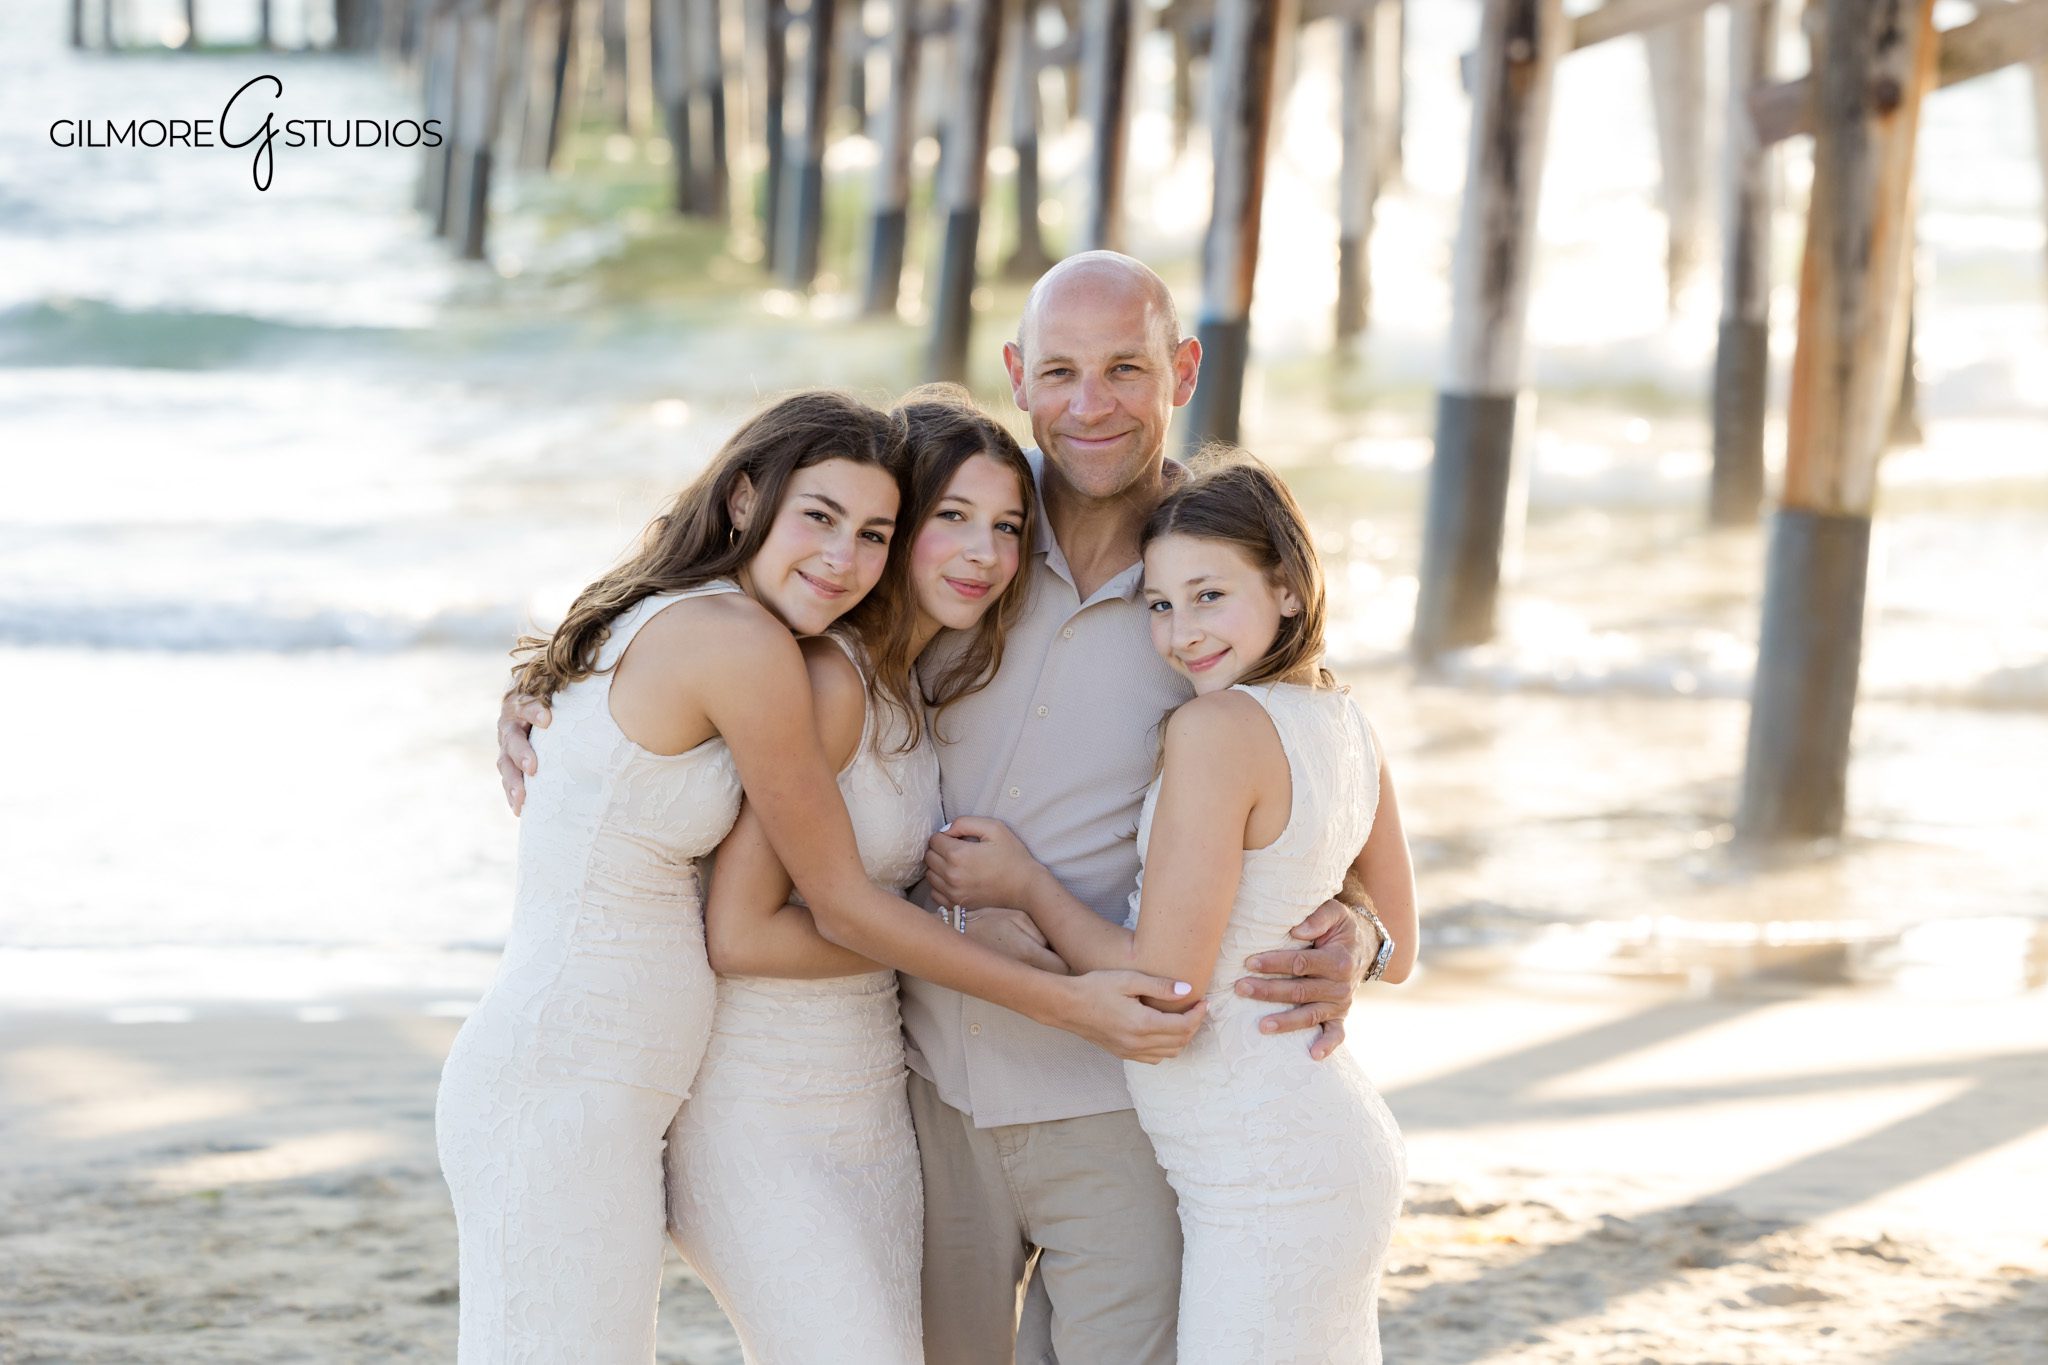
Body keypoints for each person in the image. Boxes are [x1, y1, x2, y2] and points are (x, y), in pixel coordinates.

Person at [499, 252, 1386, 1363]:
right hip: (925, 1096)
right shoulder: (946, 528)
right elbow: (745, 591)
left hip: (1106, 1095)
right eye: (1059, 371)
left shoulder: (1206, 580)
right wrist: (553, 692)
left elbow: (1313, 769)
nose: (1089, 404)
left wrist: (1361, 931)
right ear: (1016, 374)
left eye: (1124, 369)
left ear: (1183, 370)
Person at [451, 388, 1192, 1365]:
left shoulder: (896, 673)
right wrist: (1061, 992)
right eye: (947, 520)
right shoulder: (777, 658)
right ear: (743, 500)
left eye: (875, 532)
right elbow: (790, 913)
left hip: (760, 1089)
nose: (847, 557)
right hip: (608, 1076)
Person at [935, 450, 1417, 1363]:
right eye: (1159, 604)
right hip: (1318, 1136)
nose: (1181, 632)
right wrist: (1361, 939)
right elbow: (1404, 943)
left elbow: (1164, 978)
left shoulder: (1215, 728)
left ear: (1285, 586)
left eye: (1209, 595)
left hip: (1263, 1160)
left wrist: (1026, 884)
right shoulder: (1347, 717)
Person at [664, 389, 1037, 1363]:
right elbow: (739, 933)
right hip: (765, 1109)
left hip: (868, 1105)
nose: (983, 555)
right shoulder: (826, 682)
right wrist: (956, 943)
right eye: (950, 517)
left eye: (1006, 527)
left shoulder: (908, 685)